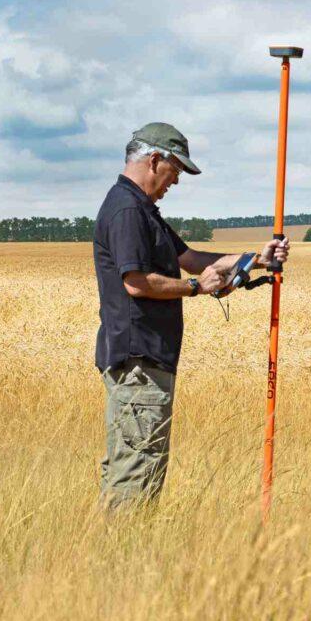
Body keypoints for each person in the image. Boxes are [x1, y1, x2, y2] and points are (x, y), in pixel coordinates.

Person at [93, 121, 290, 509]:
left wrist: (256, 260)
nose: (176, 182)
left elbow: (191, 259)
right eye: (176, 170)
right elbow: (137, 282)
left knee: (131, 464)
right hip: (140, 359)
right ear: (154, 160)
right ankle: (125, 551)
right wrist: (197, 287)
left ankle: (112, 552)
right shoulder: (127, 210)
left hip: (144, 359)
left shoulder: (143, 210)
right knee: (139, 468)